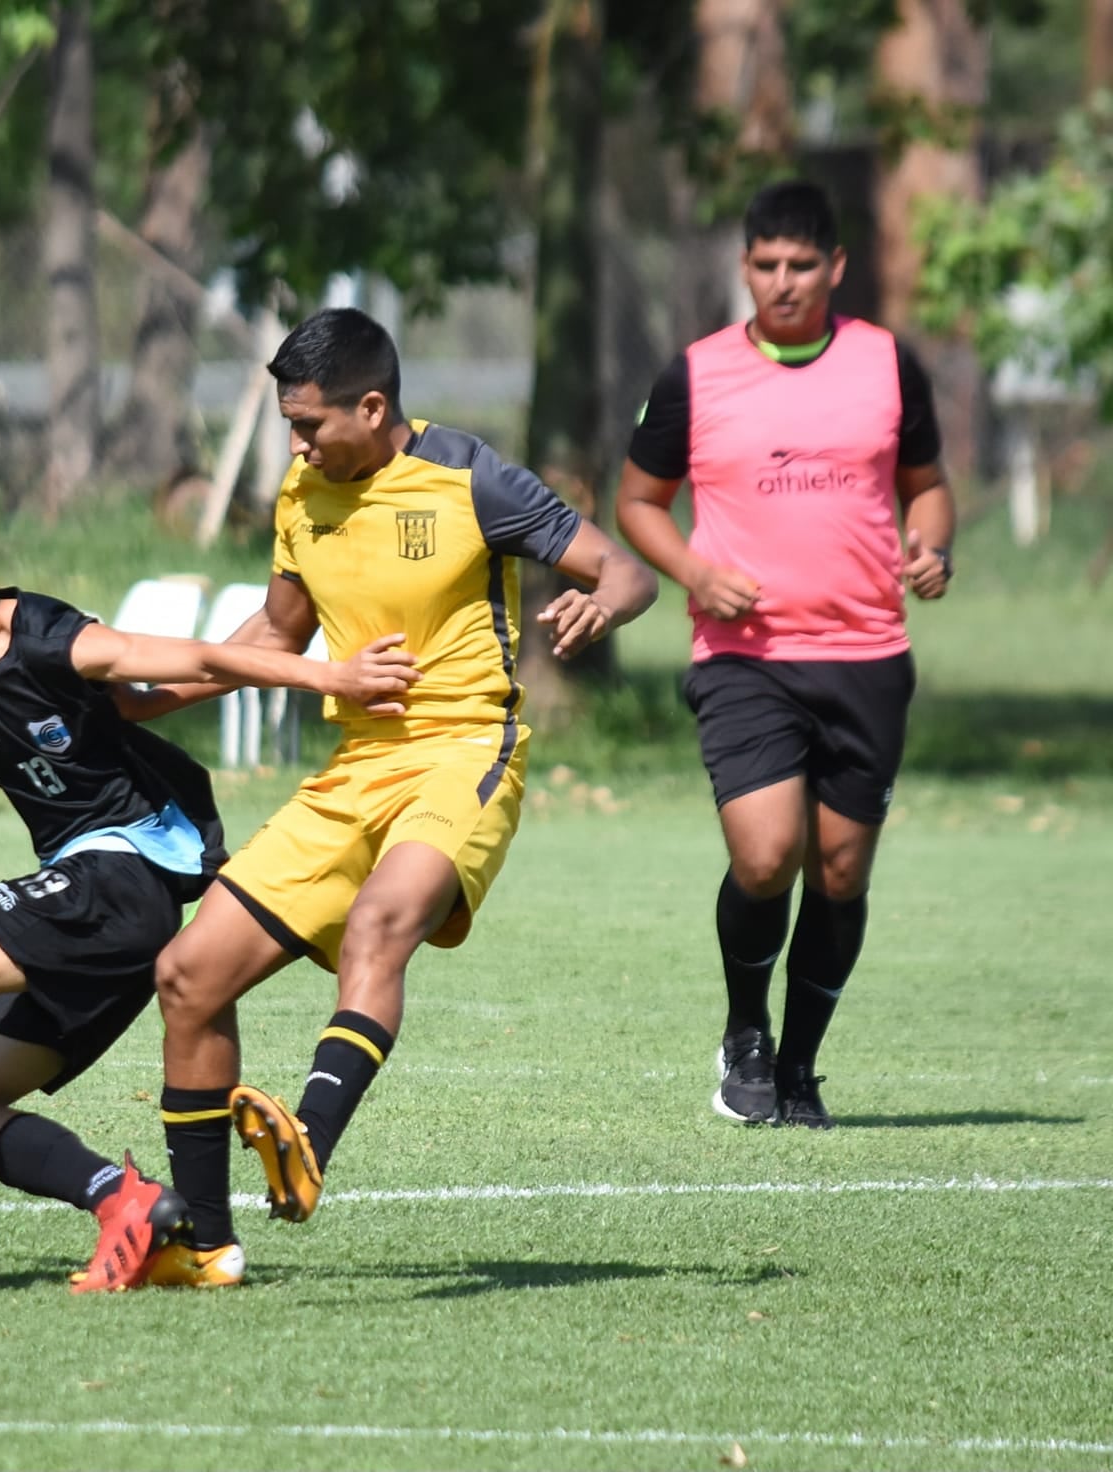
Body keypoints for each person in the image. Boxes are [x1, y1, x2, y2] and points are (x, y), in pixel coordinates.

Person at [0, 498, 423, 1292]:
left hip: (126, 874)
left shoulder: (58, 641)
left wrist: (333, 676)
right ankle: (123, 1204)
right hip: (104, 915)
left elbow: (200, 660)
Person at [134, 307, 656, 1280]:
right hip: (351, 769)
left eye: (310, 425)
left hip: (464, 751)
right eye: (288, 424)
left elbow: (622, 568)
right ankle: (204, 1246)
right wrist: (148, 699)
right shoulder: (302, 490)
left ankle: (307, 1146)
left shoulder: (468, 479)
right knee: (186, 976)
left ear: (372, 407)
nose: (295, 444)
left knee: (378, 925)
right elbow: (277, 635)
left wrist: (600, 600)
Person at [615, 180, 955, 1130]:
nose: (783, 282)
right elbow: (637, 502)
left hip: (868, 656)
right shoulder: (696, 374)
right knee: (766, 858)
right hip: (746, 657)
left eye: (802, 265)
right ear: (745, 267)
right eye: (766, 265)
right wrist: (695, 569)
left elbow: (928, 490)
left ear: (835, 268)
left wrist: (932, 546)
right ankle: (744, 1036)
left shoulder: (889, 366)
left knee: (841, 875)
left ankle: (800, 1068)